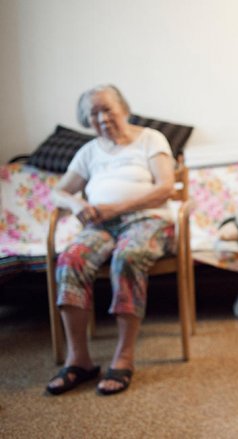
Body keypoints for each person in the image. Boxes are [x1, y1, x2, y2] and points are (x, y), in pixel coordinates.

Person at [45, 84, 176, 396]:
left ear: (124, 109)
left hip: (147, 219)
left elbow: (166, 187)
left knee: (127, 257)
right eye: (93, 114)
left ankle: (124, 356)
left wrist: (116, 207)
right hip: (100, 224)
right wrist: (77, 204)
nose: (102, 118)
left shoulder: (151, 139)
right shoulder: (88, 152)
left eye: (107, 109)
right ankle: (79, 359)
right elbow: (58, 191)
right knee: (70, 259)